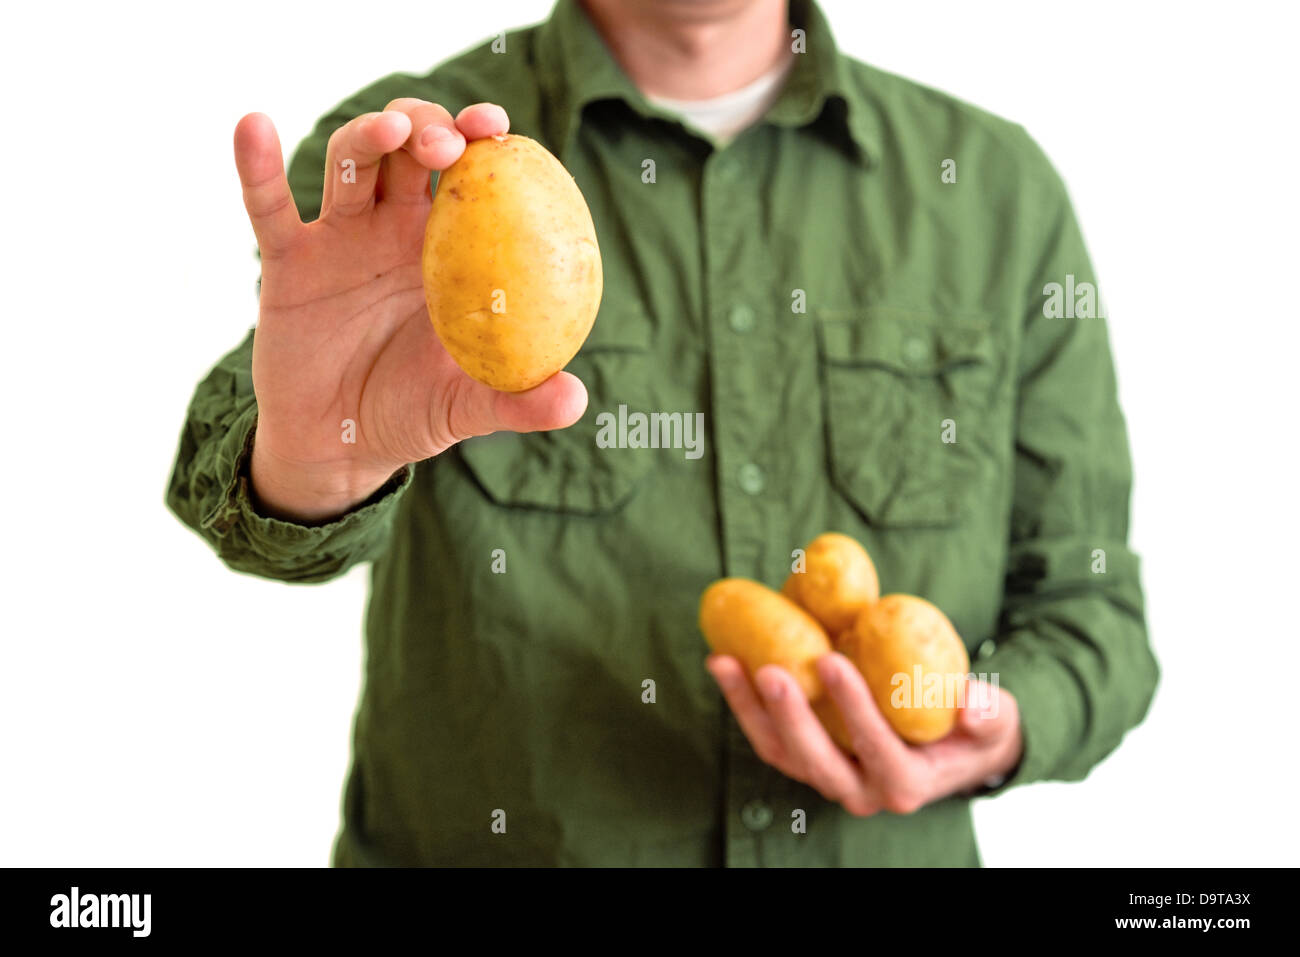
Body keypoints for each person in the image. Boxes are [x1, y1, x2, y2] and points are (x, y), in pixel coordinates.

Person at [167, 0, 1158, 866]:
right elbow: (247, 511)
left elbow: (1093, 613)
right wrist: (317, 455)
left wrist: (999, 720)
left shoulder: (995, 192)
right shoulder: (399, 162)